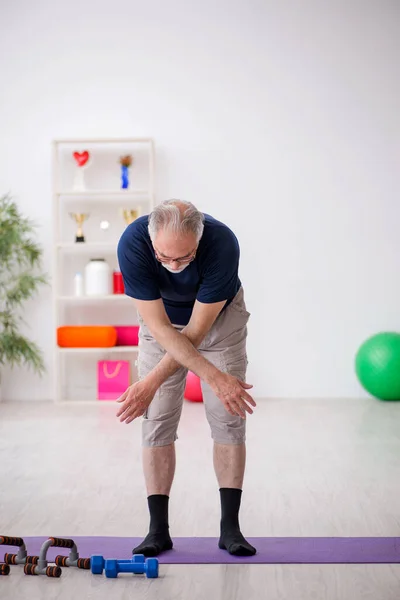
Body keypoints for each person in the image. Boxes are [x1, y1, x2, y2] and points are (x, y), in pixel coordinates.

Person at [116, 199, 256, 557]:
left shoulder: (222, 243)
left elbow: (195, 332)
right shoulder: (133, 244)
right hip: (161, 323)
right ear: (151, 240)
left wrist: (214, 379)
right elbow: (162, 328)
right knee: (156, 419)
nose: (174, 266)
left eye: (184, 257)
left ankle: (230, 530)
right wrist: (151, 386)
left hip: (217, 323)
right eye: (165, 258)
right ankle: (157, 531)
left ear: (199, 238)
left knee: (228, 415)